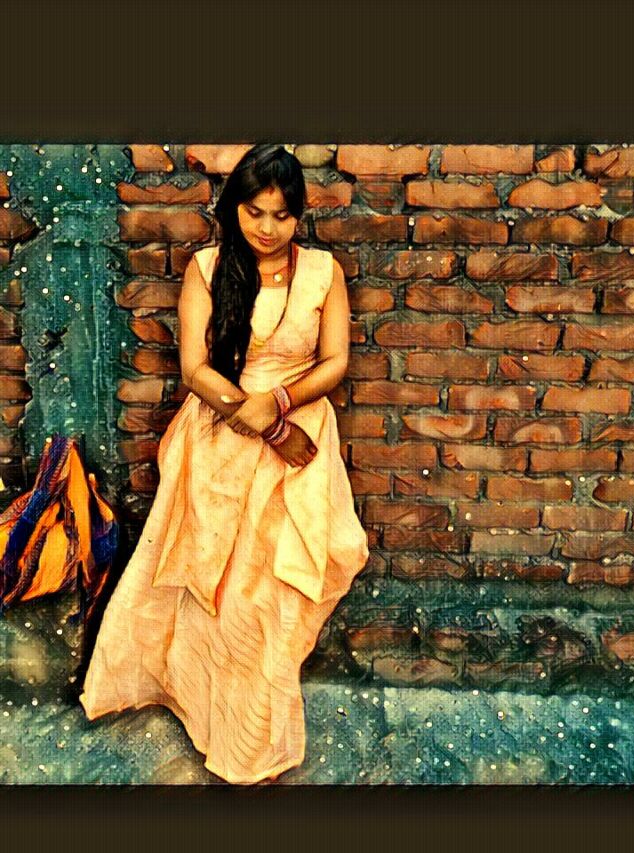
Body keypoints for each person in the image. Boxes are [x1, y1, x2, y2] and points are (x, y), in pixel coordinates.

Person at [78, 143, 370, 785]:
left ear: (299, 216)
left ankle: (252, 742)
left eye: (282, 216)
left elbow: (336, 362)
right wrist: (267, 424)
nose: (267, 228)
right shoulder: (208, 268)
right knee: (219, 594)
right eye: (254, 211)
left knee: (272, 599)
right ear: (234, 206)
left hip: (299, 445)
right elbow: (194, 370)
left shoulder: (322, 272)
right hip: (221, 439)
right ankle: (213, 716)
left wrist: (282, 404)